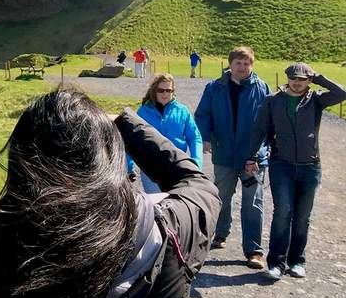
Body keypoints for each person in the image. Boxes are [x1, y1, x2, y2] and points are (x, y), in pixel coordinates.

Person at [0, 89, 220, 298]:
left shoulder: (13, 242)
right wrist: (126, 125)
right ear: (108, 157)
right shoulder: (169, 226)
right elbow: (199, 185)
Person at [244, 63, 346, 280]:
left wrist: (318, 77)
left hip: (311, 167)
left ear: (309, 81)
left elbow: (342, 93)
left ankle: (297, 261)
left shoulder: (317, 100)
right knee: (283, 212)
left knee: (302, 217)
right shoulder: (273, 100)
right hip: (282, 165)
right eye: (294, 78)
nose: (298, 82)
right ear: (287, 78)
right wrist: (251, 156)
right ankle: (276, 263)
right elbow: (260, 130)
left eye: (303, 79)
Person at [193, 45, 270, 269]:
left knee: (253, 203)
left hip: (252, 158)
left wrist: (259, 154)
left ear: (252, 65)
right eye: (239, 63)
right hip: (224, 154)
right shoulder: (214, 88)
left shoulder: (262, 88)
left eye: (247, 63)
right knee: (221, 198)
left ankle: (254, 250)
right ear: (230, 64)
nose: (243, 67)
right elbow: (203, 114)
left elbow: (268, 123)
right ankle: (221, 233)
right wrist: (205, 138)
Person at [127, 73, 202, 194]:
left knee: (176, 205)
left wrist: (197, 162)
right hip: (151, 169)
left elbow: (194, 138)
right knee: (157, 207)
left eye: (169, 90)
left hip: (177, 167)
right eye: (161, 90)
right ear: (154, 91)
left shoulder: (182, 111)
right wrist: (128, 167)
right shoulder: (143, 112)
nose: (165, 94)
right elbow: (132, 140)